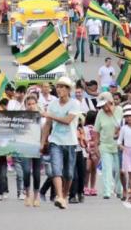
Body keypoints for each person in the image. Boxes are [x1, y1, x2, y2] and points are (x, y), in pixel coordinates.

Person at [41, 76, 82, 209]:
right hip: (55, 141)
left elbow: (67, 120)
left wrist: (49, 115)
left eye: (62, 87)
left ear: (68, 89)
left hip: (70, 142)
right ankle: (59, 196)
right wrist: (43, 142)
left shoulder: (75, 103)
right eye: (58, 87)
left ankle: (64, 196)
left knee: (69, 173)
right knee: (56, 170)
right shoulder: (53, 104)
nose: (59, 89)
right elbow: (47, 124)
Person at [94, 92, 123, 199]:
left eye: (105, 105)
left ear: (110, 102)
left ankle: (119, 189)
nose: (103, 108)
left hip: (118, 145)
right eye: (101, 106)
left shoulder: (120, 110)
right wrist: (96, 146)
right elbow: (96, 131)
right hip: (105, 145)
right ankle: (107, 191)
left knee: (118, 168)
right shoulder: (100, 114)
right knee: (107, 168)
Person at [22, 95, 43, 207]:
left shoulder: (41, 117)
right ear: (25, 106)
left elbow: (45, 131)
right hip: (25, 147)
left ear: (36, 104)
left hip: (38, 147)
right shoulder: (21, 118)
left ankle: (36, 196)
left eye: (32, 104)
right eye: (28, 104)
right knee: (26, 171)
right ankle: (27, 194)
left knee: (36, 173)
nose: (31, 106)